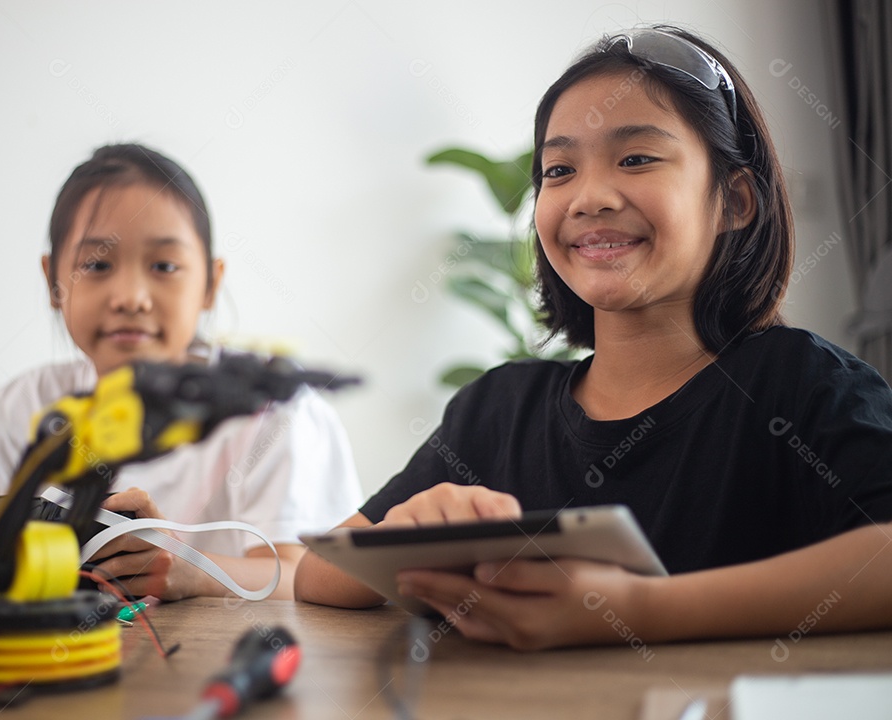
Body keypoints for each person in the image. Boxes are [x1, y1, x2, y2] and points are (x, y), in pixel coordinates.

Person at [295, 27, 892, 649]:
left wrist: (639, 609)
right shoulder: (499, 408)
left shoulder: (802, 385)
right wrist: (401, 535)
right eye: (559, 170)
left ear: (735, 201)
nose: (589, 198)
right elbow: (317, 573)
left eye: (635, 159)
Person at [0, 144, 362, 601]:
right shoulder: (17, 410)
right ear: (53, 282)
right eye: (96, 264)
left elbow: (306, 577)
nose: (131, 297)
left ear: (210, 284)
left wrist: (189, 568)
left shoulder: (274, 412)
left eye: (164, 265)